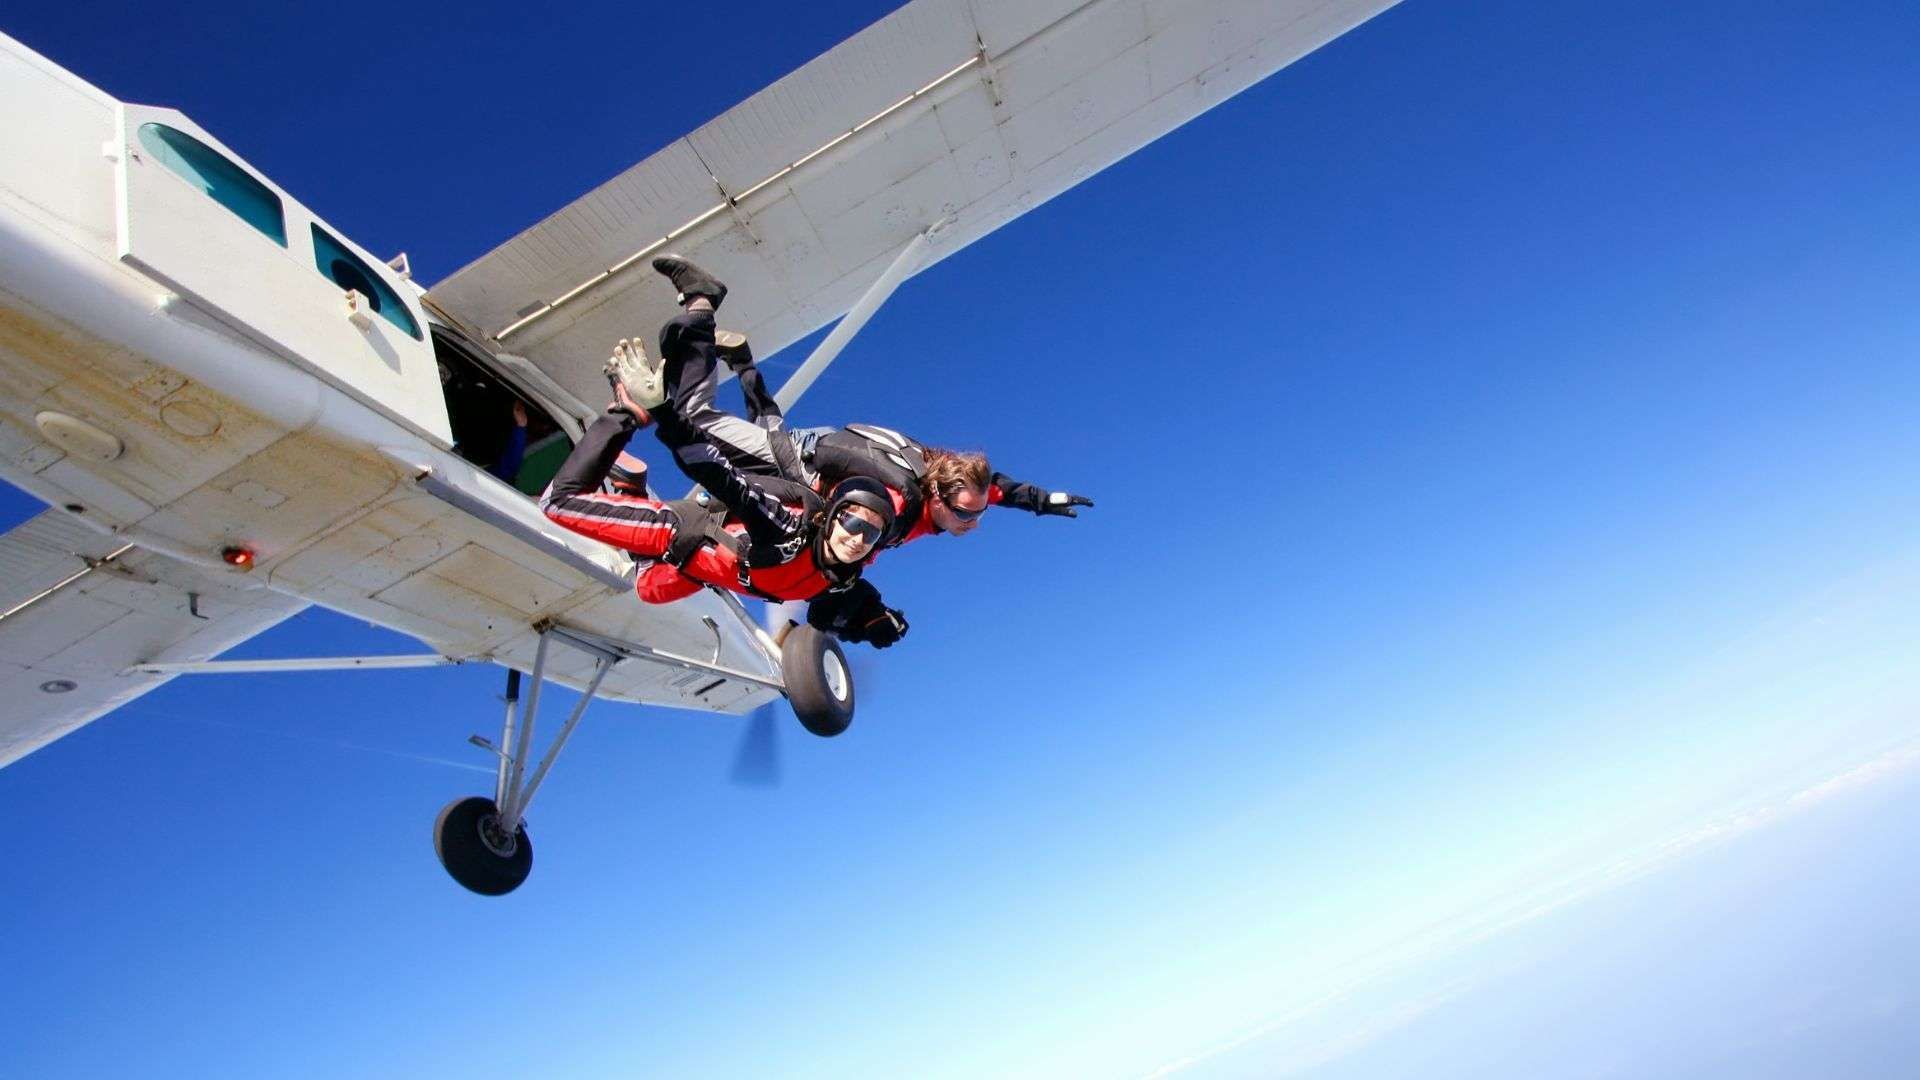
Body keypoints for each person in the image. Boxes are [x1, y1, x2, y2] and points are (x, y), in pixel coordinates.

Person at [642, 254, 1096, 549]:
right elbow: (827, 520)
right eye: (965, 514)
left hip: (814, 448)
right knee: (695, 421)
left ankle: (741, 362)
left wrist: (1041, 500)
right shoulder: (899, 505)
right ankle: (701, 304)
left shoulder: (946, 476)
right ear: (936, 497)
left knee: (762, 426)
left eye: (977, 513)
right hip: (803, 461)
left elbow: (998, 486)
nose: (973, 521)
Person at [538, 378, 910, 647]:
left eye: (871, 532)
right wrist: (662, 411)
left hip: (704, 570)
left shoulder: (838, 576)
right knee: (558, 504)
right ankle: (624, 415)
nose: (858, 537)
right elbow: (719, 474)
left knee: (647, 588)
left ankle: (630, 487)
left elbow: (838, 605)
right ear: (831, 518)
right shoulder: (786, 528)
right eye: (853, 521)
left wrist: (874, 620)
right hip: (680, 532)